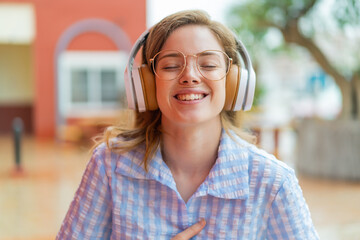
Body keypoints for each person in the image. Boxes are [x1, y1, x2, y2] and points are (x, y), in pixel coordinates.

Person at [57, 10, 319, 239]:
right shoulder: (109, 166)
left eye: (208, 64)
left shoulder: (272, 182)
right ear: (147, 84)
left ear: (233, 83)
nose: (190, 76)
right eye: (171, 65)